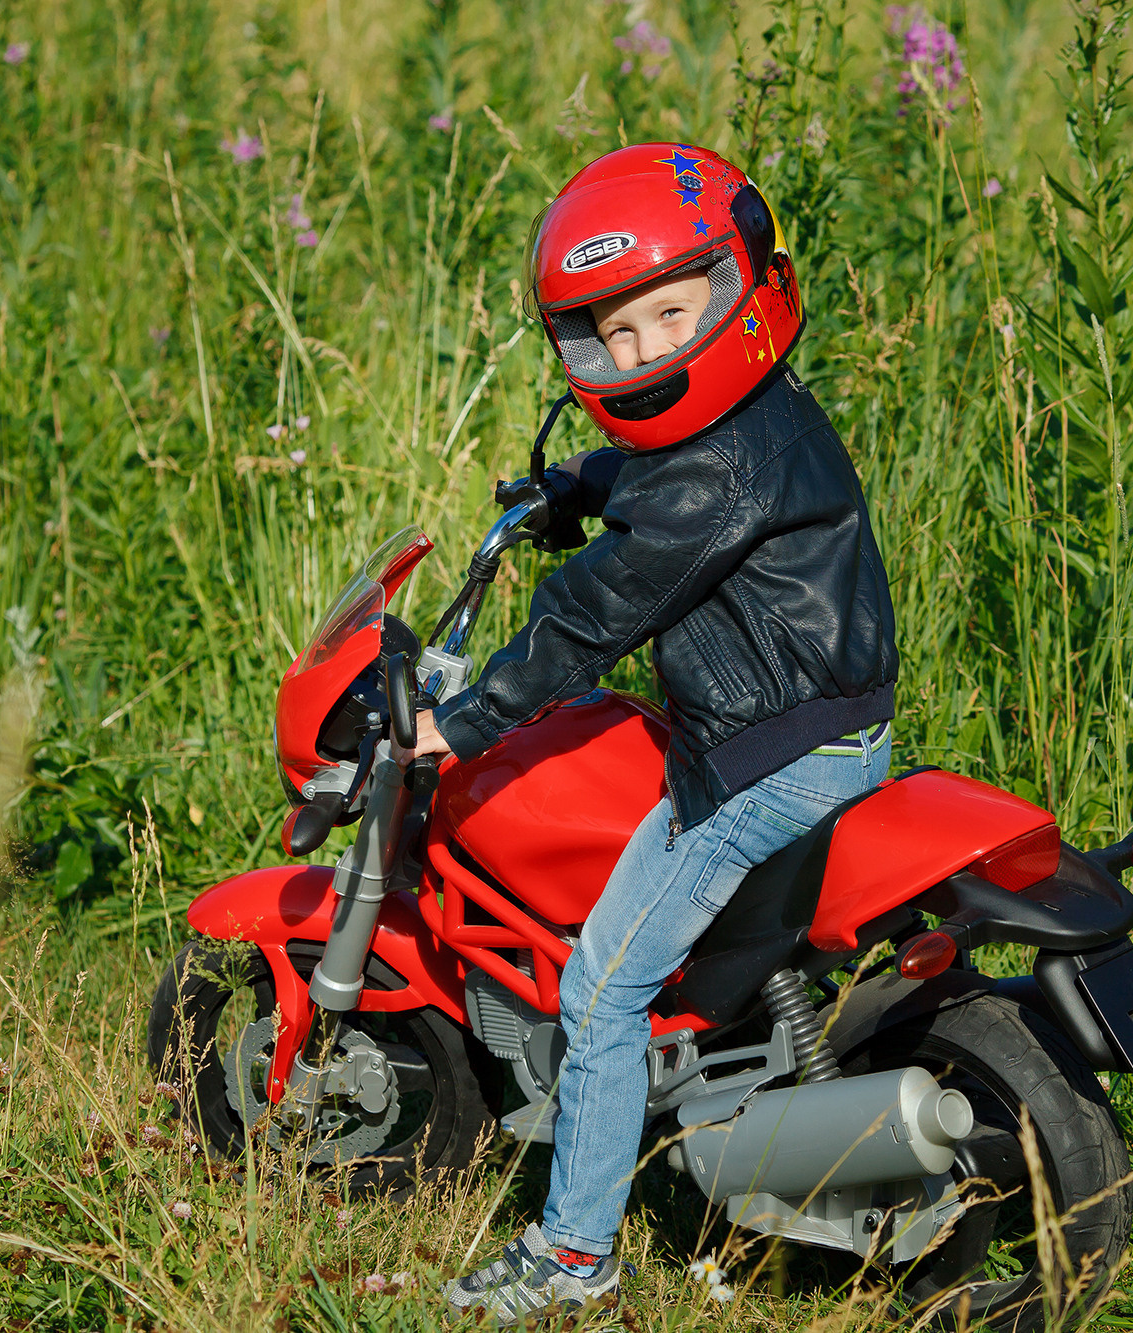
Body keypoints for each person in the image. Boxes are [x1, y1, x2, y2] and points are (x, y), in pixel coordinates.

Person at [408, 143, 899, 1323]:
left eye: (670, 315)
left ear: (739, 291)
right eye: (609, 335)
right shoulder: (749, 419)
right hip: (821, 722)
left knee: (598, 992)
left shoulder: (708, 477)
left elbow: (589, 614)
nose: (641, 355)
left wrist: (463, 723)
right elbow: (652, 471)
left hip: (758, 755)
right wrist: (571, 485)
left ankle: (573, 1259)